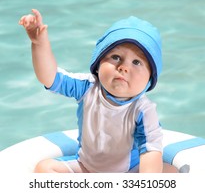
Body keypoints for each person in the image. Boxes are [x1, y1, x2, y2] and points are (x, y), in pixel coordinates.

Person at [19, 9, 178, 173]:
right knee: (44, 169)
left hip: (129, 172)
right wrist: (39, 44)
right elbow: (50, 77)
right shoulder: (87, 87)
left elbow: (151, 151)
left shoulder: (143, 110)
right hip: (86, 168)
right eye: (116, 57)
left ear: (150, 78)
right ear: (98, 62)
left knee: (171, 172)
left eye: (137, 62)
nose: (123, 67)